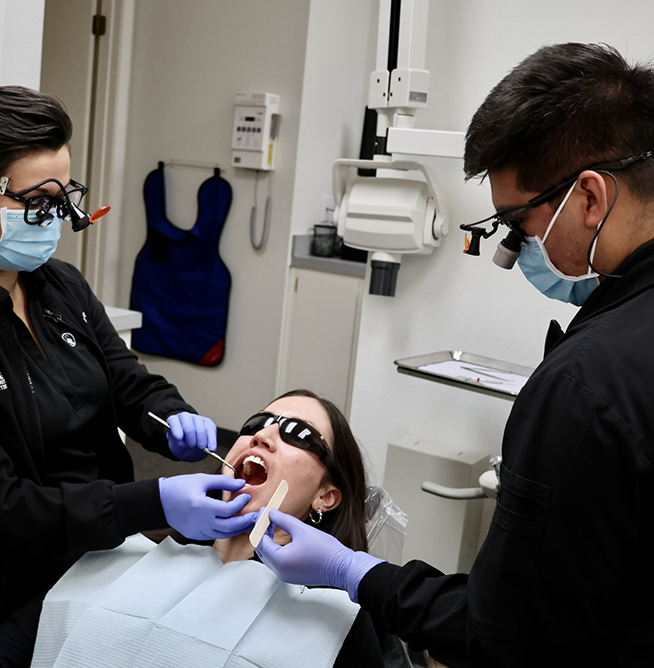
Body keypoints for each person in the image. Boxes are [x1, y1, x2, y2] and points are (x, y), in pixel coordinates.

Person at [255, 42, 654, 667]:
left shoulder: (585, 385)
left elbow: (508, 638)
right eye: (258, 424)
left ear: (591, 199)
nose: (261, 440)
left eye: (517, 224)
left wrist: (357, 574)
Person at [0, 86, 256, 666]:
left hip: (99, 556)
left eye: (62, 198)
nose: (54, 219)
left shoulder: (62, 288)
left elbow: (127, 382)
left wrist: (171, 416)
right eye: (35, 200)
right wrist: (151, 501)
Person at [30, 390, 409, 668]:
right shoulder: (124, 555)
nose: (261, 436)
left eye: (297, 433)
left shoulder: (337, 620)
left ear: (326, 497)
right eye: (255, 425)